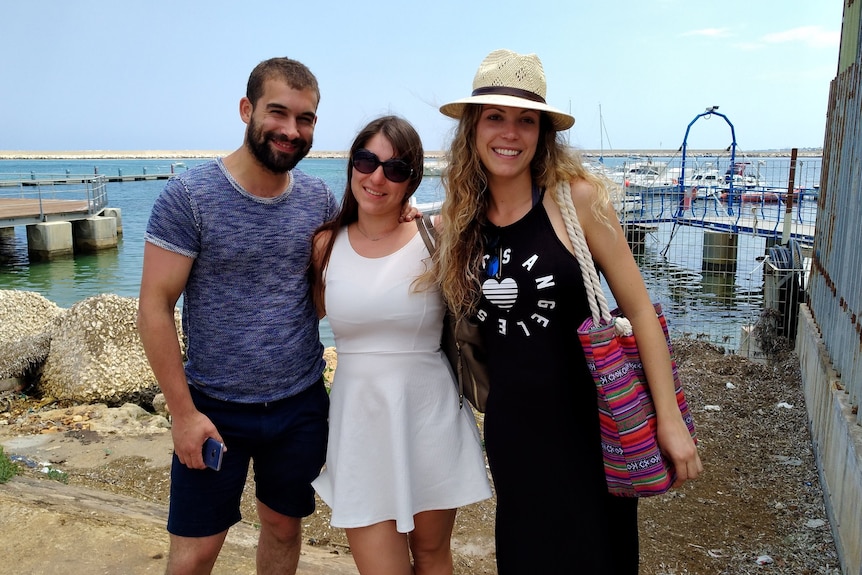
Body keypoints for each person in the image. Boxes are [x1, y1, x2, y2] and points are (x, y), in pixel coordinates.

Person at [434, 49, 703, 574]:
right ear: (473, 128)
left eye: (526, 120)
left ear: (542, 134)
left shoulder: (576, 202)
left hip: (591, 431)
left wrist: (669, 420)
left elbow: (641, 313)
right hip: (513, 436)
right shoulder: (461, 221)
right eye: (495, 117)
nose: (509, 133)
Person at [136, 57, 338, 575]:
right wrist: (183, 414)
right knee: (196, 550)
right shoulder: (190, 197)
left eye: (305, 118)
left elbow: (351, 263)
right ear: (247, 109)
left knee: (283, 527)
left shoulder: (318, 199)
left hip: (299, 404)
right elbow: (155, 307)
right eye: (278, 112)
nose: (291, 130)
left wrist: (402, 216)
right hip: (213, 406)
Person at [309, 115, 492, 575]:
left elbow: (494, 201)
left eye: (395, 169)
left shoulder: (437, 236)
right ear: (351, 164)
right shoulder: (325, 244)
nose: (377, 178)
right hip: (358, 424)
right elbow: (301, 318)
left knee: (432, 557)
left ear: (412, 180)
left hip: (429, 416)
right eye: (366, 161)